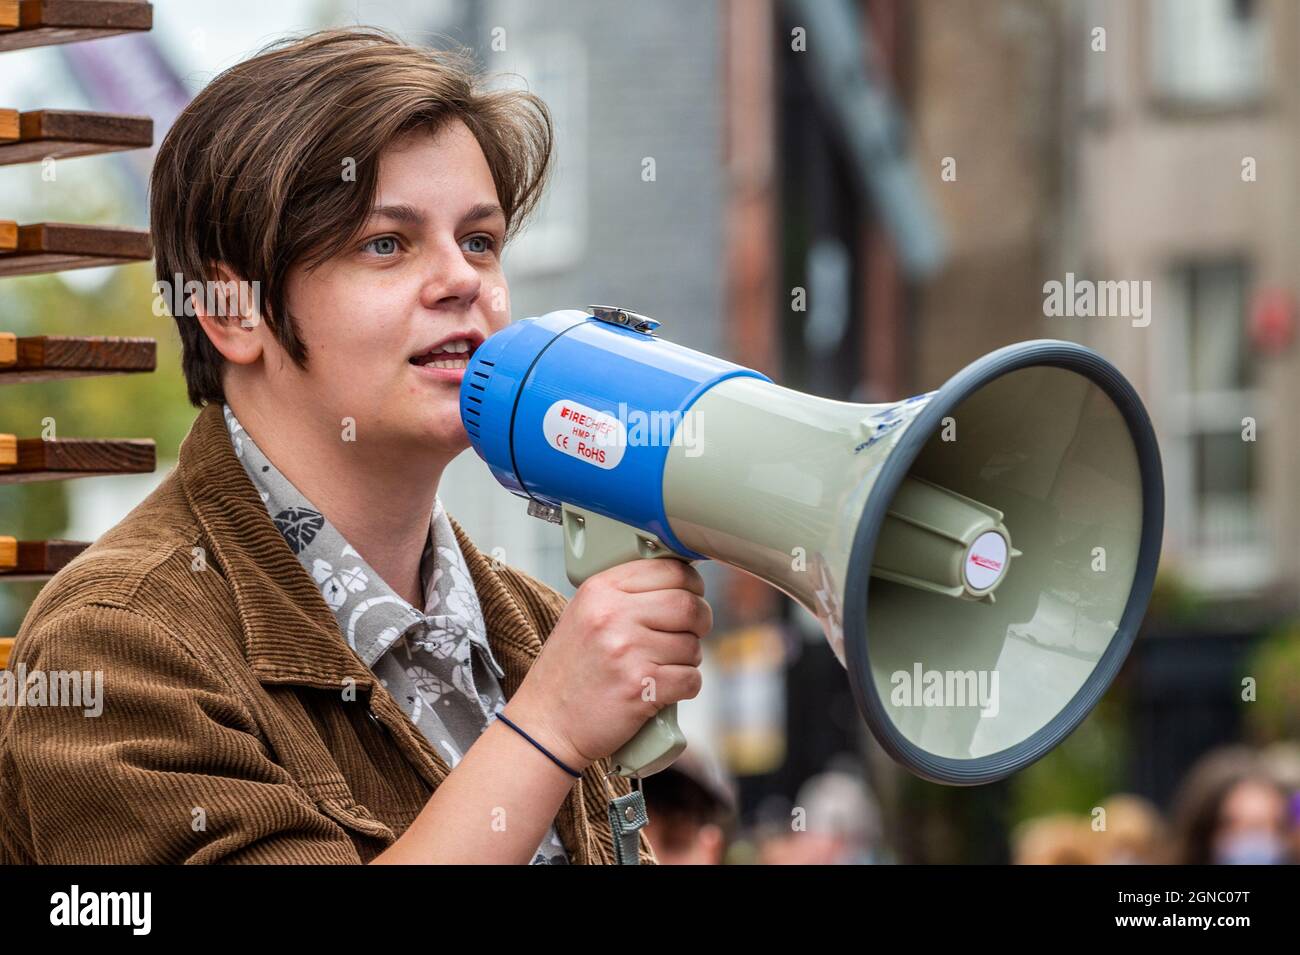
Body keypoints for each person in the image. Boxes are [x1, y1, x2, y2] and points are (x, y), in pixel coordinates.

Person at [0, 27, 712, 864]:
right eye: (387, 243)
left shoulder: (534, 626)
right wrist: (549, 727)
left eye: (479, 240)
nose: (463, 280)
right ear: (235, 312)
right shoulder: (118, 640)